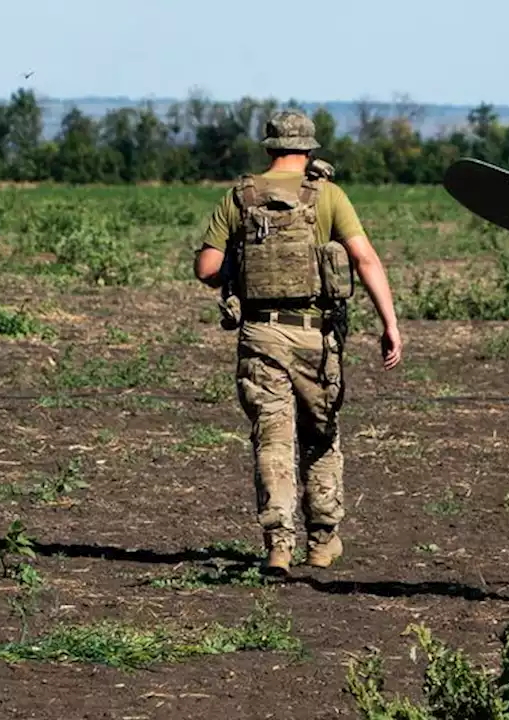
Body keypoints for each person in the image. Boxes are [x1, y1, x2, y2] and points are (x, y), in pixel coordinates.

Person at [193, 109, 403, 577]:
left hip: (261, 335)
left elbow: (207, 268)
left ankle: (278, 546)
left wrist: (240, 270)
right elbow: (364, 259)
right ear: (309, 150)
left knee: (272, 439)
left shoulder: (240, 196)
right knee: (320, 437)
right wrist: (389, 322)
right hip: (317, 338)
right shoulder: (328, 195)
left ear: (269, 148)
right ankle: (323, 541)